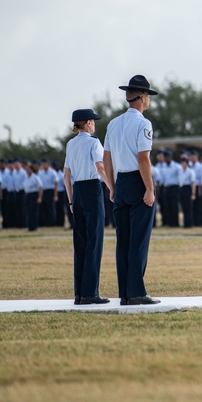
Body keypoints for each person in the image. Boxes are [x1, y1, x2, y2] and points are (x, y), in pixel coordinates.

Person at [104, 74, 160, 306]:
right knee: (138, 241)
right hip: (137, 182)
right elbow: (143, 158)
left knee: (123, 242)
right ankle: (136, 292)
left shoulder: (113, 124)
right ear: (143, 97)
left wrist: (112, 186)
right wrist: (149, 189)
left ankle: (125, 293)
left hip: (121, 182)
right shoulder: (143, 124)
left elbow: (106, 159)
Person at [64, 108, 114, 305]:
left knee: (81, 243)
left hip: (77, 192)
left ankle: (79, 292)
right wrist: (111, 187)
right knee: (94, 241)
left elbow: (66, 174)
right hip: (92, 189)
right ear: (87, 123)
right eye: (92, 121)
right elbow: (100, 167)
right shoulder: (94, 143)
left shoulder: (70, 144)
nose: (94, 123)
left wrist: (70, 200)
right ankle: (90, 292)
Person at [24, 162, 43, 232]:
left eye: (28, 170)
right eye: (26, 170)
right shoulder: (26, 178)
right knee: (28, 211)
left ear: (32, 170)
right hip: (27, 195)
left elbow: (40, 188)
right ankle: (29, 227)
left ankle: (34, 227)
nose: (27, 171)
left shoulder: (35, 177)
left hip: (34, 195)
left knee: (33, 212)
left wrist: (39, 197)